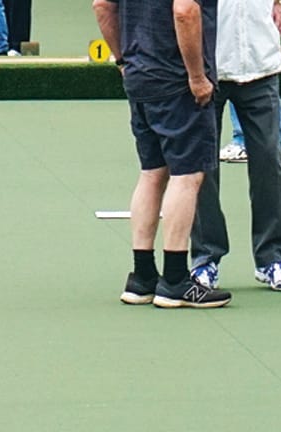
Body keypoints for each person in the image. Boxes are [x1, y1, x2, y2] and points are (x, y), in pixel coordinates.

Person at [94, 0, 231, 309]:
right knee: (187, 176)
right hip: (177, 80)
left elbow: (102, 5)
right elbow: (185, 11)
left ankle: (142, 277)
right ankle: (175, 279)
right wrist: (197, 76)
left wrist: (122, 60)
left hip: (139, 75)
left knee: (152, 173)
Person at [190, 0, 281, 293]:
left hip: (260, 65)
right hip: (206, 66)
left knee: (269, 163)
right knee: (202, 167)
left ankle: (272, 258)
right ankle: (205, 259)